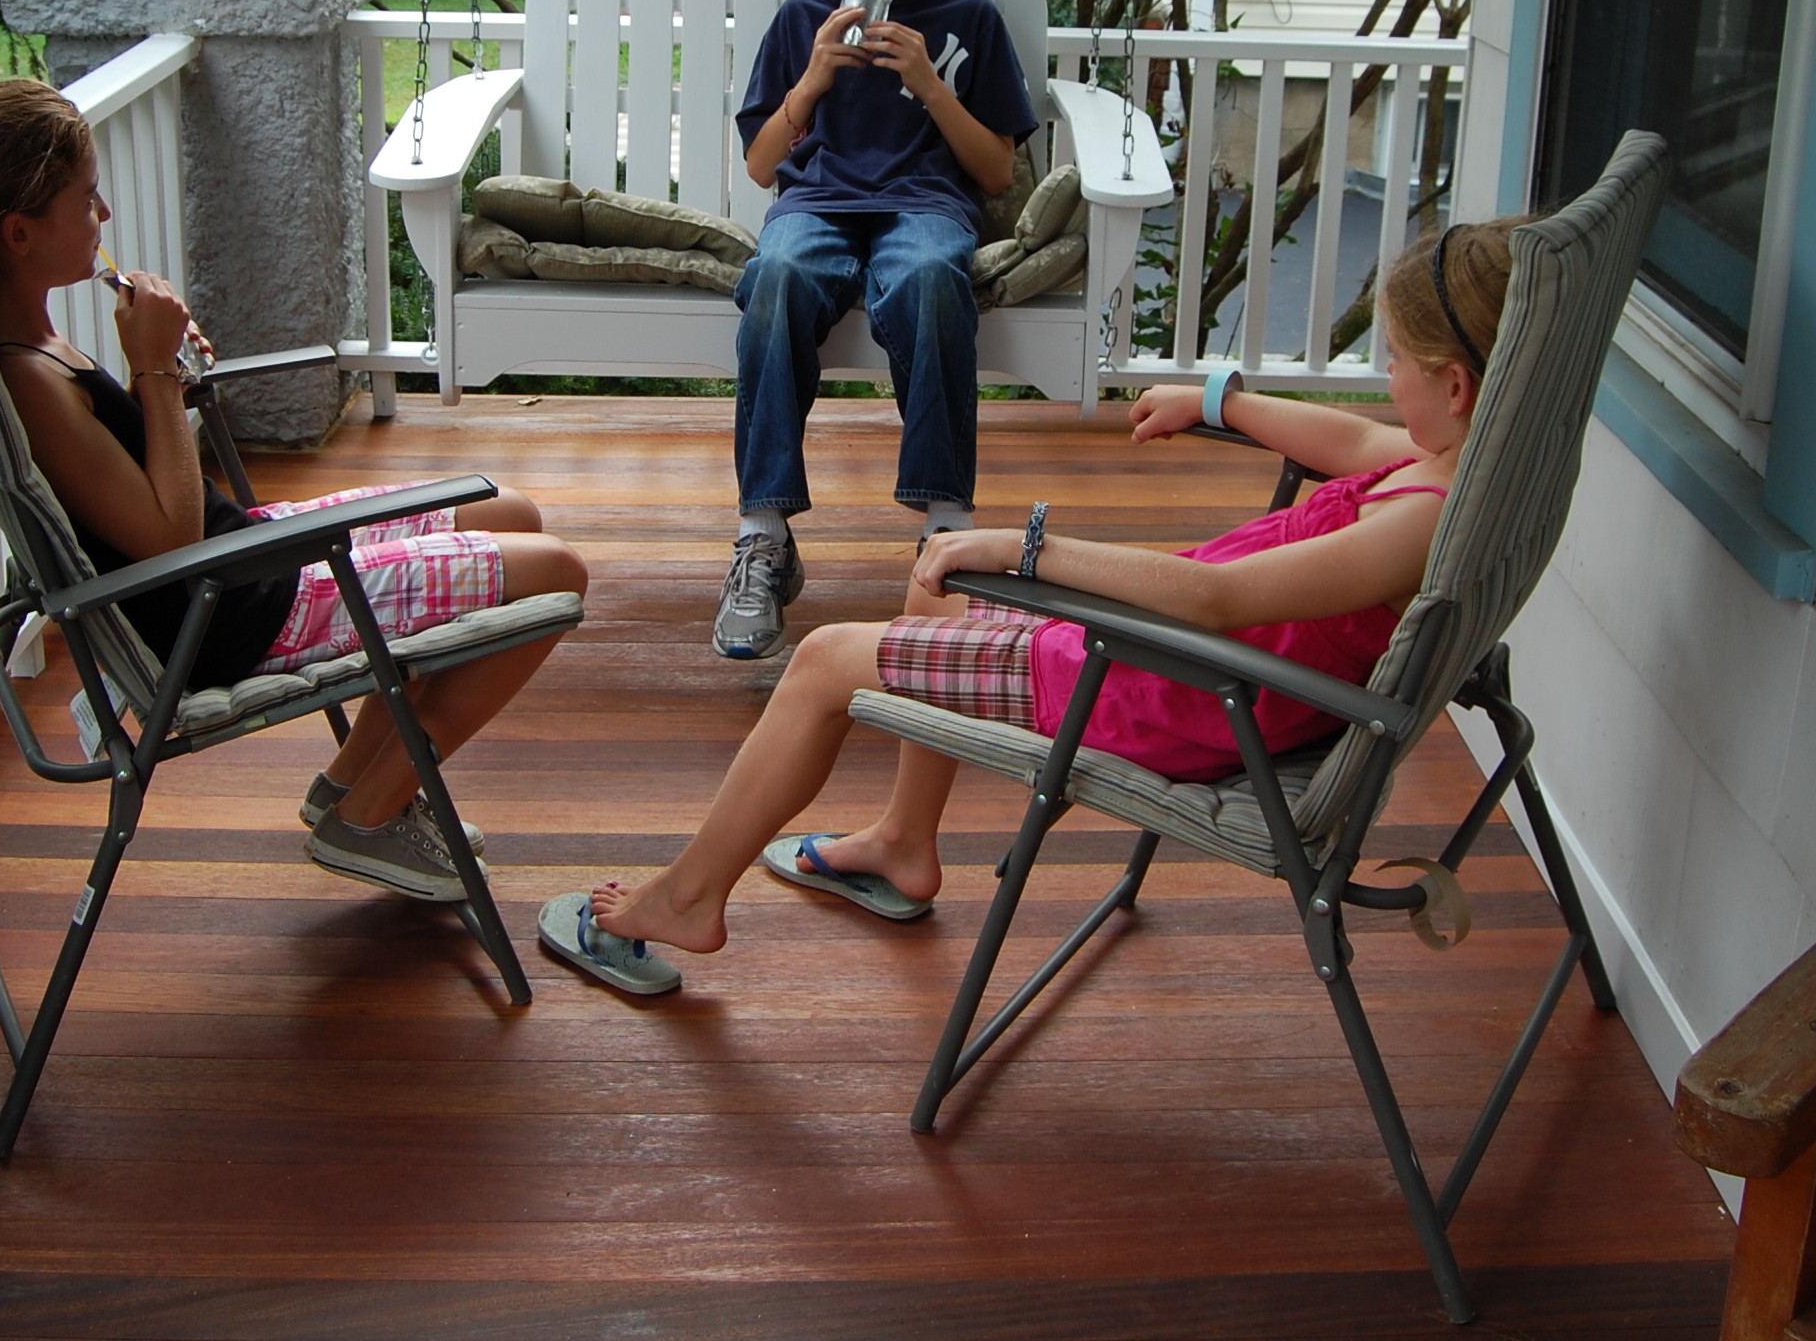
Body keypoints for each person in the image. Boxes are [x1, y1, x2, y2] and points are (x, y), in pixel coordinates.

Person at [539, 216, 1521, 996]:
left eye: (1396, 361)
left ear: (1453, 383)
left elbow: (1213, 597)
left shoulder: (1416, 521)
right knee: (935, 573)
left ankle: (688, 897)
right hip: (1181, 667)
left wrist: (1029, 548)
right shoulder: (1456, 469)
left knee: (827, 660)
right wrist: (1216, 398)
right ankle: (902, 844)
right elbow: (1351, 442)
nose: (1384, 379)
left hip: (1160, 688)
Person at [0, 79, 587, 905]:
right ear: (19, 233)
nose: (105, 215)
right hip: (233, 613)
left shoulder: (35, 347)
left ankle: (349, 785)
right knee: (554, 574)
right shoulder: (30, 385)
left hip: (241, 560)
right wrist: (153, 373)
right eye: (86, 200)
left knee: (506, 511)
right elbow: (167, 539)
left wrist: (166, 373)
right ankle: (369, 815)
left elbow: (144, 497)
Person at [716, 0, 1041, 660]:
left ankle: (945, 528)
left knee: (933, 280)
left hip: (926, 206)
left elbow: (996, 173)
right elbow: (761, 165)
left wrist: (930, 84)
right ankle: (763, 535)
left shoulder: (970, 19)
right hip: (817, 203)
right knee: (777, 278)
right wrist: (816, 77)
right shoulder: (804, 18)